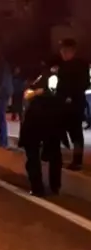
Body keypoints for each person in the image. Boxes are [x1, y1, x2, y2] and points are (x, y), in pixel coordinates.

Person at [18, 68, 68, 196]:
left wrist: (36, 93)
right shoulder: (53, 79)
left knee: (35, 155)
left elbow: (29, 94)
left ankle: (38, 187)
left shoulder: (45, 78)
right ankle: (53, 186)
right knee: (53, 154)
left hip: (38, 121)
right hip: (50, 121)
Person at [54, 38, 89, 170]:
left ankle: (77, 160)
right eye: (62, 51)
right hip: (63, 104)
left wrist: (71, 96)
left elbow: (84, 83)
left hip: (75, 104)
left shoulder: (80, 65)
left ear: (71, 51)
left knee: (76, 133)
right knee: (60, 128)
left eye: (65, 51)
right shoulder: (62, 66)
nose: (62, 53)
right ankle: (58, 153)